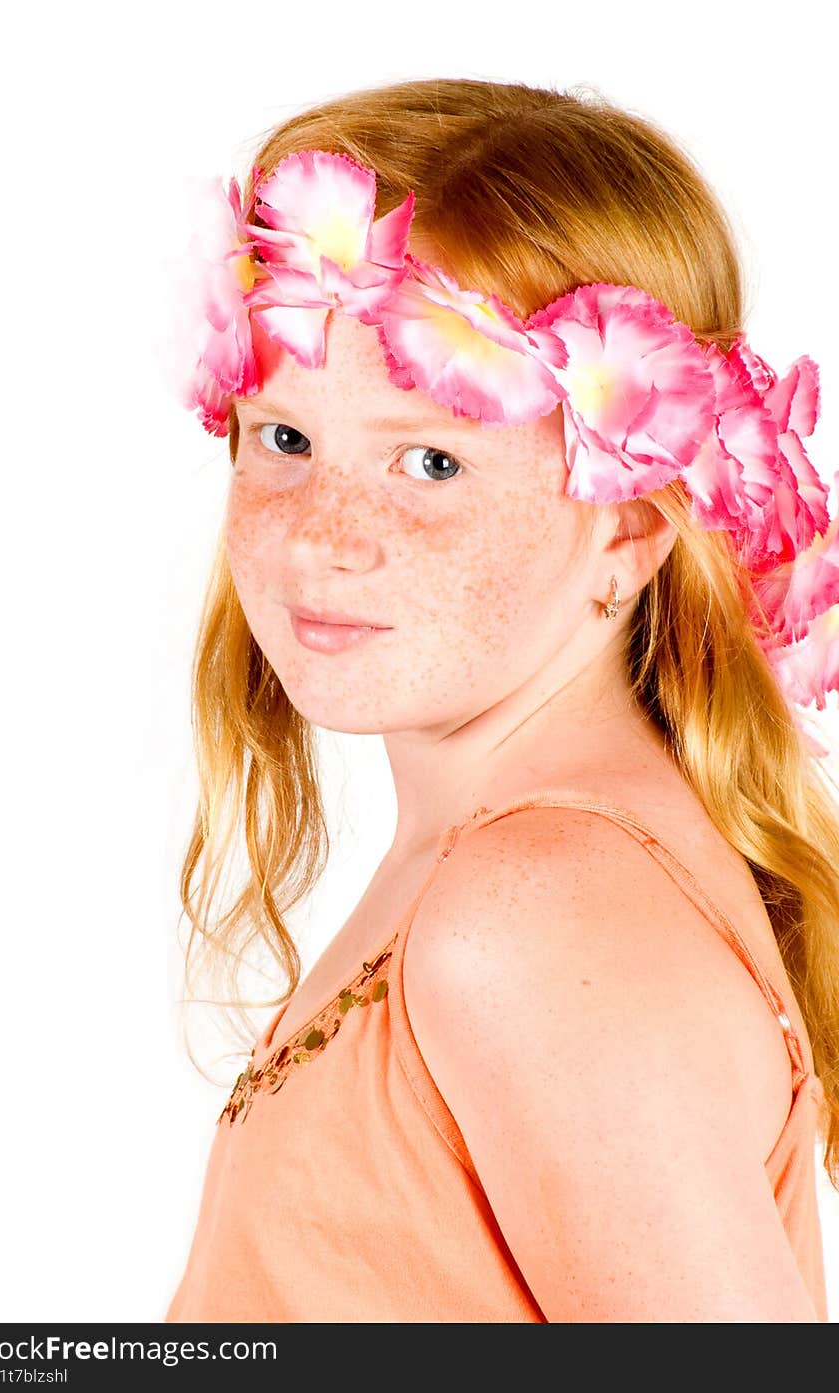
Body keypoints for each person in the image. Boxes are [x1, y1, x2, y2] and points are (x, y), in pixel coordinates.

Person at [162, 77, 839, 1323]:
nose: (326, 537)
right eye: (286, 440)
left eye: (431, 460)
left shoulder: (533, 915)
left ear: (629, 524)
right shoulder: (498, 850)